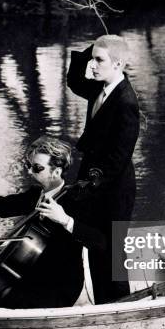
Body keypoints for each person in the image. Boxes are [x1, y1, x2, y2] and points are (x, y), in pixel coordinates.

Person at [0, 136, 105, 309]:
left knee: (5, 295)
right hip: (28, 268)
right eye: (29, 166)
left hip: (57, 283)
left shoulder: (76, 201)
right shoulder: (36, 194)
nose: (30, 172)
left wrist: (66, 220)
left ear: (57, 172)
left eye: (37, 168)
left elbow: (99, 241)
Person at [67, 34, 140, 304]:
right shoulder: (99, 88)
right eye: (93, 59)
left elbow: (117, 160)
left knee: (112, 254)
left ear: (118, 64)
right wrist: (94, 47)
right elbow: (74, 80)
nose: (93, 66)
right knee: (97, 248)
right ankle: (103, 307)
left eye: (99, 60)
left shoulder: (126, 103)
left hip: (115, 190)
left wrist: (85, 188)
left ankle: (122, 309)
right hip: (95, 185)